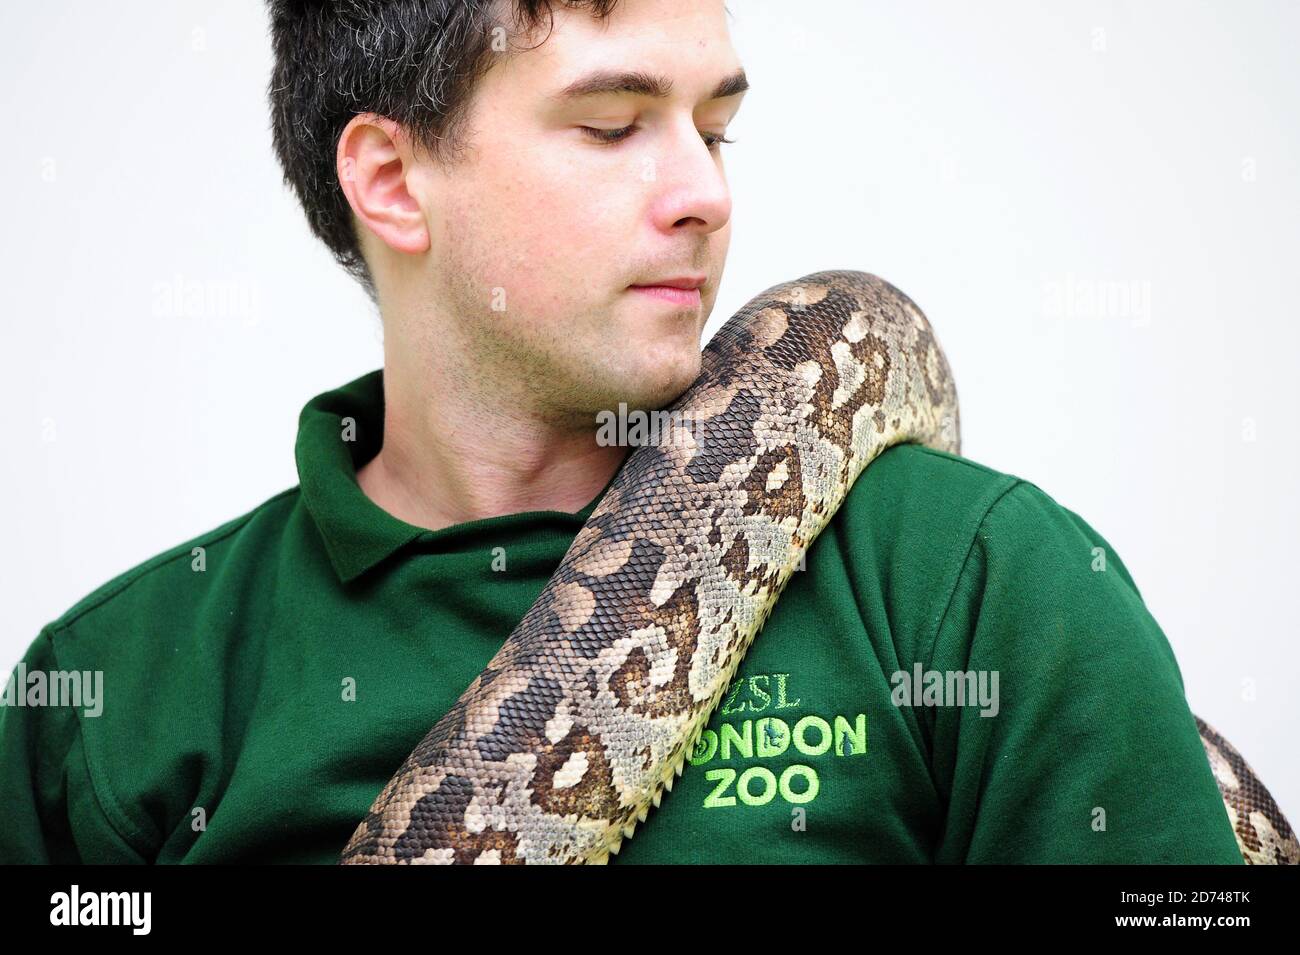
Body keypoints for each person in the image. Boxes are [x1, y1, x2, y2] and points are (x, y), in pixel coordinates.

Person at [0, 0, 1242, 864]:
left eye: (716, 126)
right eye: (611, 125)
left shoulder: (973, 578)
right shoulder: (116, 693)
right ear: (389, 179)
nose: (705, 194)